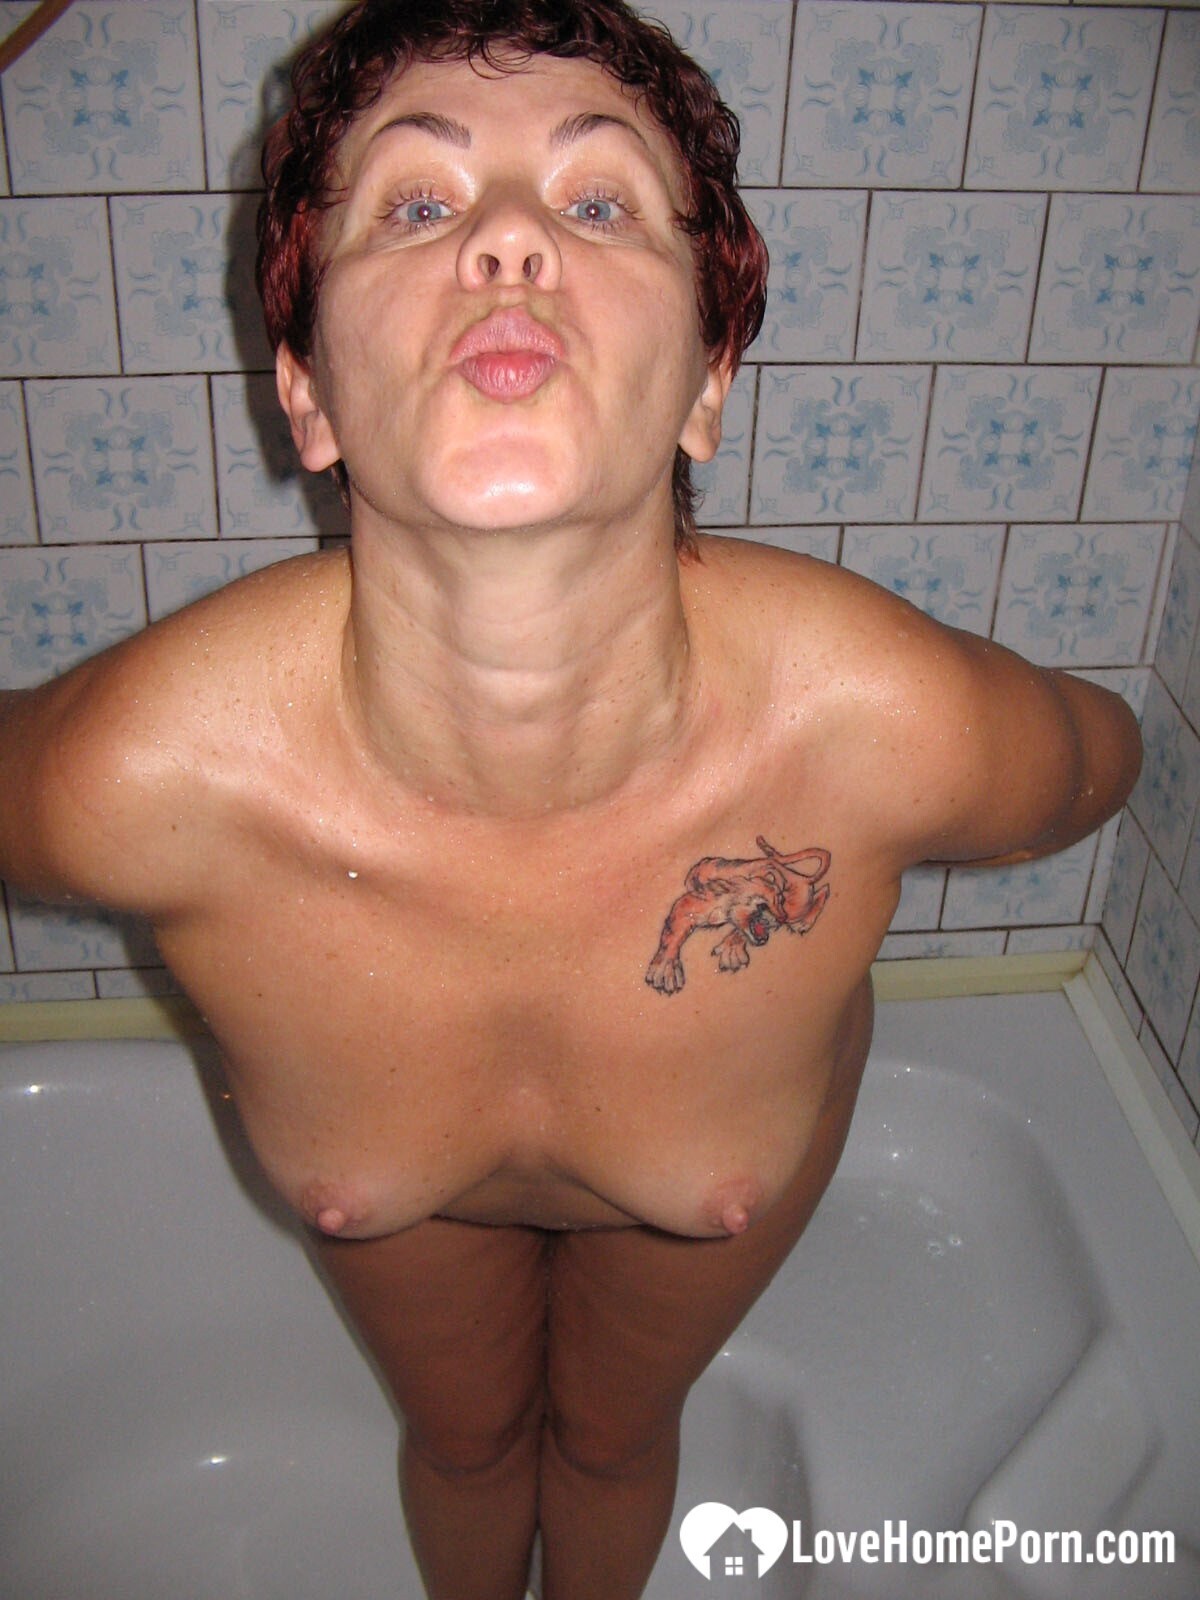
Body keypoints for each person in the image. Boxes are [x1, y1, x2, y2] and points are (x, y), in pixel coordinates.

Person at [0, 1, 1142, 1596]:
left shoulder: (889, 727)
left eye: (598, 200)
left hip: (716, 1151)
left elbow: (1102, 757)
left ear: (708, 379)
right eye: (416, 203)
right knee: (466, 1444)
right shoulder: (138, 778)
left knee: (612, 1443)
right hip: (419, 1217)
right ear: (307, 393)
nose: (509, 241)